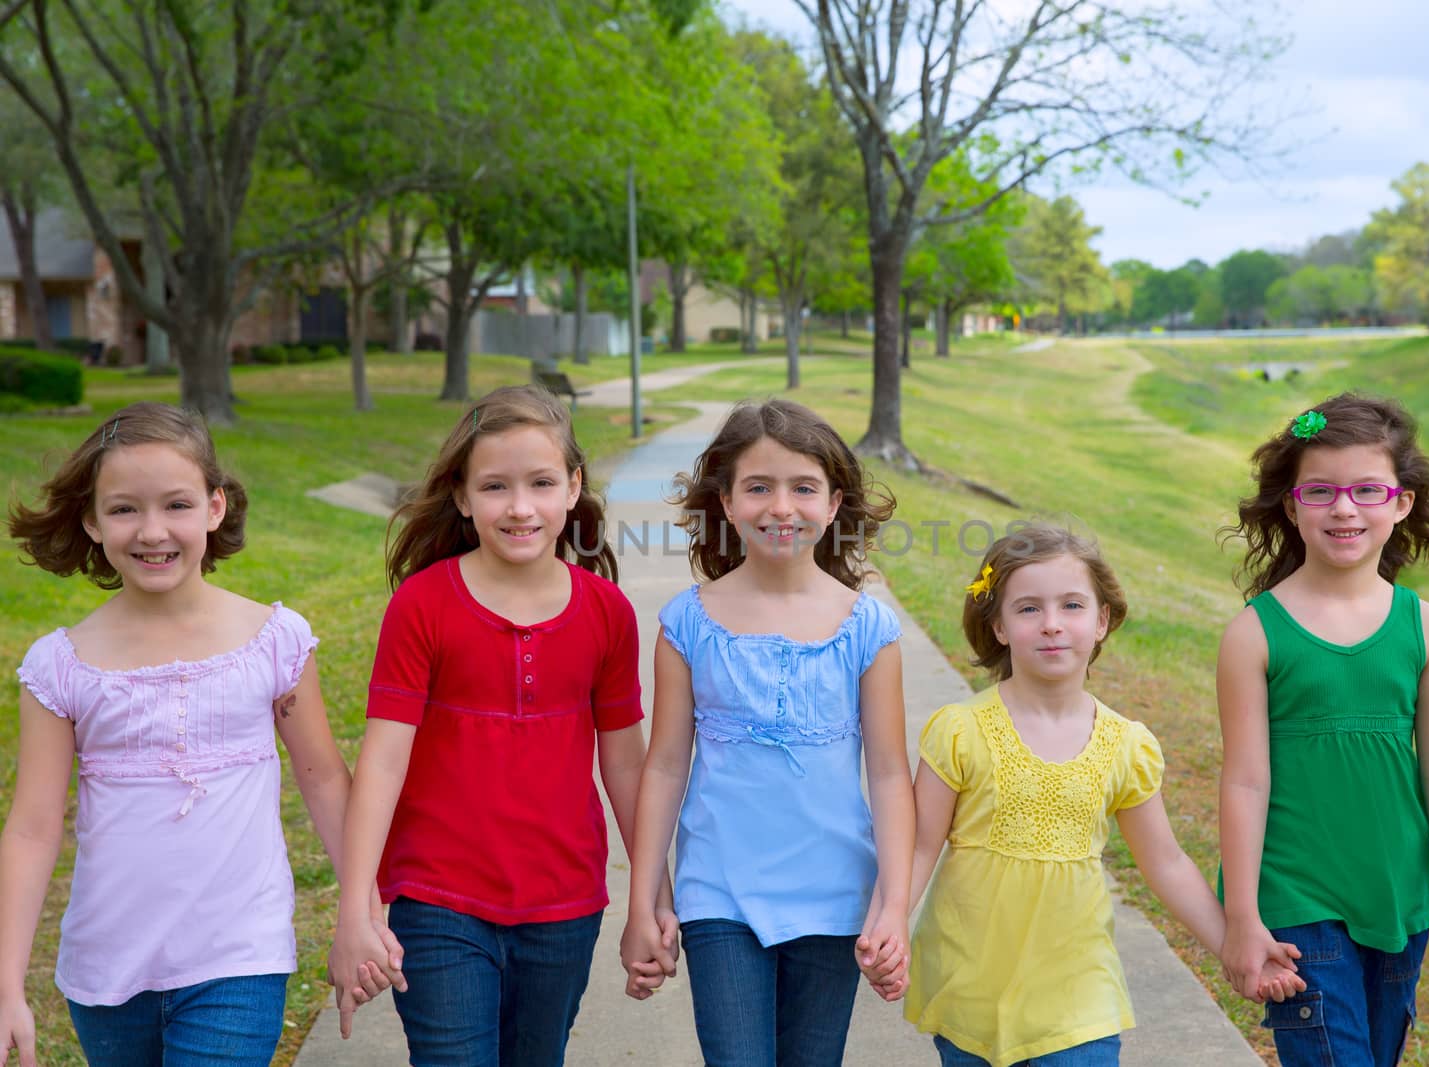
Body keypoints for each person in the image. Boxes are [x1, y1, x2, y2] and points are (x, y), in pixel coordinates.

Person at [0, 402, 395, 1066]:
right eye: (124, 509)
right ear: (92, 520)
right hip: (107, 974)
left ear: (214, 507)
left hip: (238, 957)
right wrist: (8, 976)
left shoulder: (274, 642)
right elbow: (34, 827)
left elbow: (324, 778)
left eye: (176, 504)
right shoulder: (60, 665)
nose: (152, 530)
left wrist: (364, 911)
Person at [328, 386, 652, 1066]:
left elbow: (625, 763)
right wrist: (356, 906)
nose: (520, 506)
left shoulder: (607, 613)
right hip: (436, 899)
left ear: (573, 487)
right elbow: (382, 762)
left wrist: (652, 898)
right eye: (495, 486)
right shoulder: (422, 605)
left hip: (564, 904)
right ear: (462, 495)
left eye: (540, 482)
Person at [905, 524, 1305, 1067]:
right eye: (1027, 609)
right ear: (997, 625)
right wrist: (889, 924)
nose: (1051, 625)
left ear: (1101, 621)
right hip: (969, 987)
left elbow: (1165, 863)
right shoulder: (960, 730)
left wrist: (1234, 943)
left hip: (1077, 996)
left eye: (1071, 605)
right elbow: (920, 846)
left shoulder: (1125, 745)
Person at [621, 398, 915, 1066]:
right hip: (719, 893)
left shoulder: (867, 628)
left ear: (834, 501)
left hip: (837, 894)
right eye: (758, 486)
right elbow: (664, 767)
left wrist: (892, 904)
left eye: (803, 487)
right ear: (726, 501)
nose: (781, 506)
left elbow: (891, 774)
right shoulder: (688, 624)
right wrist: (644, 900)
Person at [1216, 394, 1429, 1066]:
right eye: (1321, 490)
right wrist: (1242, 915)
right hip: (1296, 896)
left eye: (1367, 489)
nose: (1344, 508)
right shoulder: (1255, 634)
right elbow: (1244, 780)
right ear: (1291, 504)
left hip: (1397, 900)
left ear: (1402, 502)